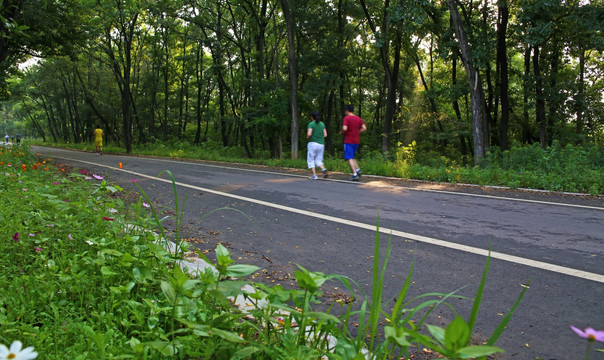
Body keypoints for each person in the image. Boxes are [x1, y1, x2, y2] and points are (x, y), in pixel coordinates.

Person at [339, 105, 366, 181]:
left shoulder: (346, 118)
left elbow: (345, 128)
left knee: (349, 157)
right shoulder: (358, 118)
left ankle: (355, 175)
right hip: (356, 140)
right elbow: (364, 128)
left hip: (348, 140)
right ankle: (358, 170)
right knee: (352, 156)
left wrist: (342, 132)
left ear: (347, 111)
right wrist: (357, 132)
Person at [306, 111, 328, 180]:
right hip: (321, 144)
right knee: (318, 160)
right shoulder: (322, 124)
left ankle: (314, 175)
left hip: (313, 144)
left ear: (312, 117)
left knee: (311, 159)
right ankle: (323, 169)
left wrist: (308, 137)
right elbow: (325, 134)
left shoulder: (311, 124)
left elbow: (309, 134)